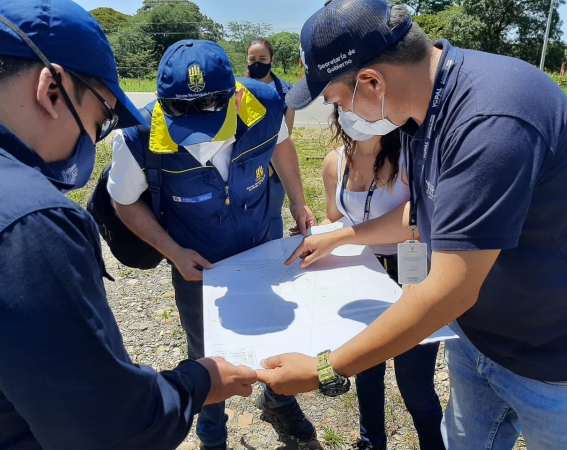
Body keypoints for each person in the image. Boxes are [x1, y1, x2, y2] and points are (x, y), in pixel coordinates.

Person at [256, 0, 567, 449]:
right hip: (477, 339)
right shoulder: (423, 109)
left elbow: (452, 287)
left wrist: (325, 368)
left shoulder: (489, 120)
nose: (343, 113)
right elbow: (426, 212)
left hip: (548, 362)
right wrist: (342, 235)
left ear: (371, 81)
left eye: (337, 100)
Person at [0, 1, 257, 449]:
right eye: (101, 121)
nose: (96, 137)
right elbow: (108, 429)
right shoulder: (29, 224)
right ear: (51, 91)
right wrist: (198, 380)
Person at [106, 40, 317, 449]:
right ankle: (211, 432)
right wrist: (173, 251)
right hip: (198, 265)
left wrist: (297, 200)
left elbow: (282, 143)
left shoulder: (263, 103)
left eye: (211, 118)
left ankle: (278, 400)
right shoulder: (137, 135)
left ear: (233, 97)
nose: (198, 138)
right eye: (181, 117)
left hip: (262, 245)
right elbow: (124, 201)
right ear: (164, 102)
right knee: (207, 349)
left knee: (277, 330)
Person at [320, 109, 444, 450]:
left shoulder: (410, 156)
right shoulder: (334, 162)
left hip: (412, 274)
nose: (354, 113)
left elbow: (418, 222)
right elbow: (335, 218)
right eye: (344, 106)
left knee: (415, 386)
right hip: (363, 276)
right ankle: (370, 442)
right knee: (366, 371)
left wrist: (336, 238)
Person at [245, 37, 296, 239]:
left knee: (273, 213)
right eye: (252, 58)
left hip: (277, 165)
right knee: (247, 213)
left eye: (262, 58)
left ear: (272, 59)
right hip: (246, 163)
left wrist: (273, 164)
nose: (257, 62)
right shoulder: (238, 89)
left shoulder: (286, 91)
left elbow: (287, 133)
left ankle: (275, 257)